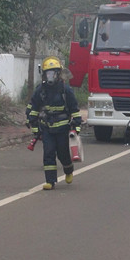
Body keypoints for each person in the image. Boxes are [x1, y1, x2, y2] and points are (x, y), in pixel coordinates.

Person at [26, 56, 82, 190]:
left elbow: (74, 109)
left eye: (53, 73)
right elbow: (33, 107)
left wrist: (76, 126)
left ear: (58, 74)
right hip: (47, 128)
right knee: (48, 153)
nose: (50, 76)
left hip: (63, 129)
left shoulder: (65, 90)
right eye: (48, 73)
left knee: (63, 154)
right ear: (44, 74)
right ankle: (50, 181)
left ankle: (68, 170)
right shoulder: (41, 90)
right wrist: (32, 123)